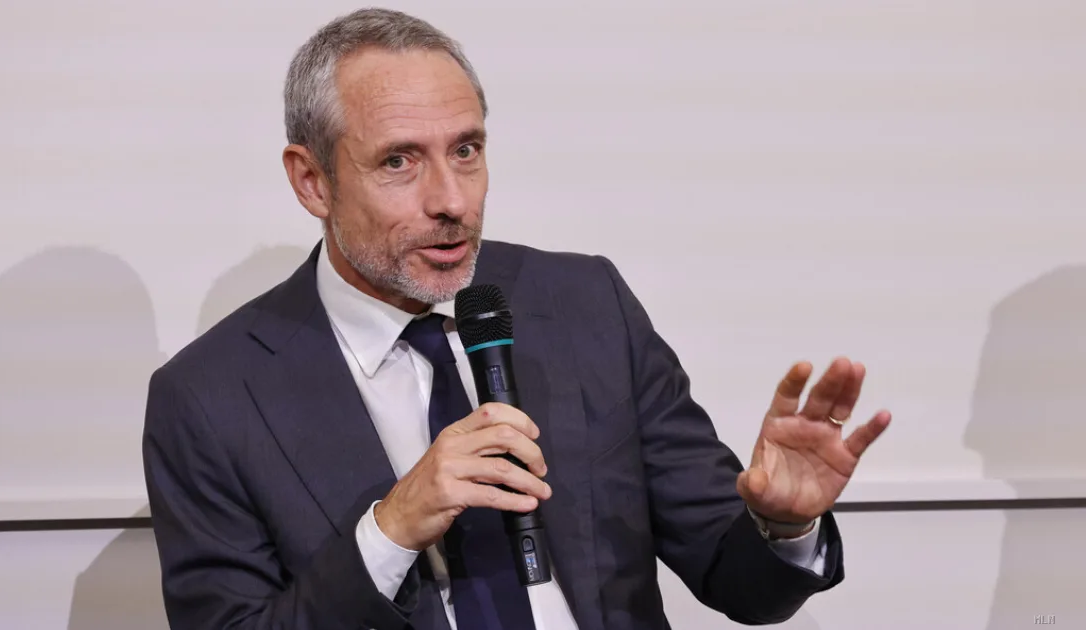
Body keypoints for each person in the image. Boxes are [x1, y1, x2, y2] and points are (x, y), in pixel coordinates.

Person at [141, 8, 893, 630]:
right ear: (312, 181)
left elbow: (740, 583)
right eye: (400, 161)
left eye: (466, 151)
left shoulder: (585, 304)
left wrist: (784, 526)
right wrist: (390, 530)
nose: (451, 200)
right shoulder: (209, 399)